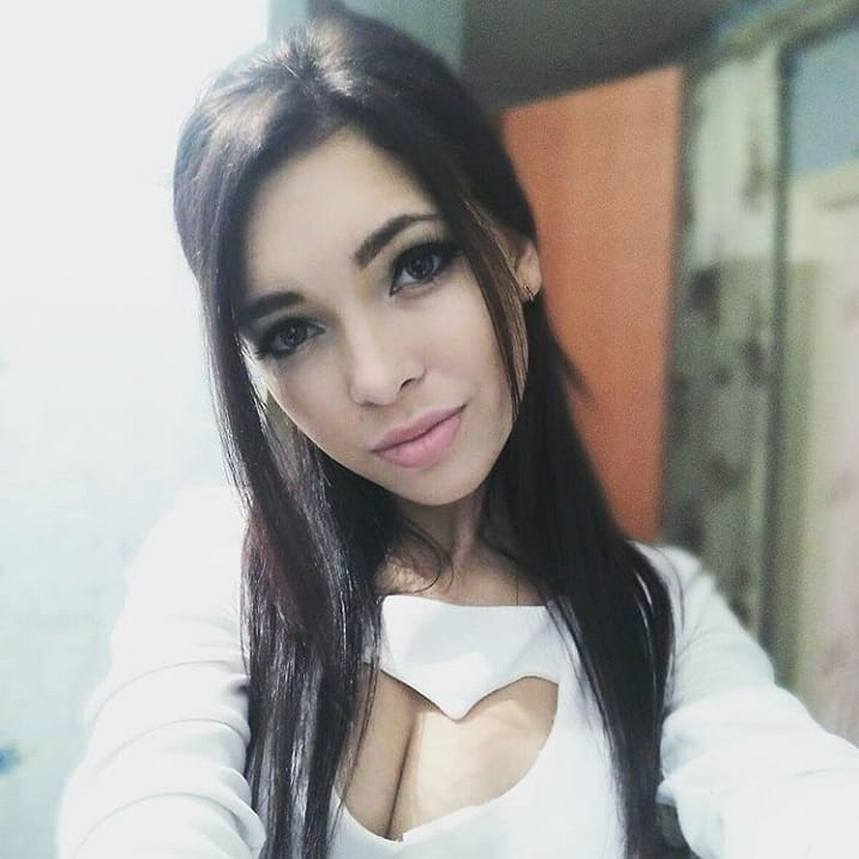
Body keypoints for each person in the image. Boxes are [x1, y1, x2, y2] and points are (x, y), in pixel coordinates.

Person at [56, 10, 859, 859]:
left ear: (515, 248)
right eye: (291, 332)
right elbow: (146, 802)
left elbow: (785, 784)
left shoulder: (654, 611)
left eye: (415, 265)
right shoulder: (222, 559)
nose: (376, 377)